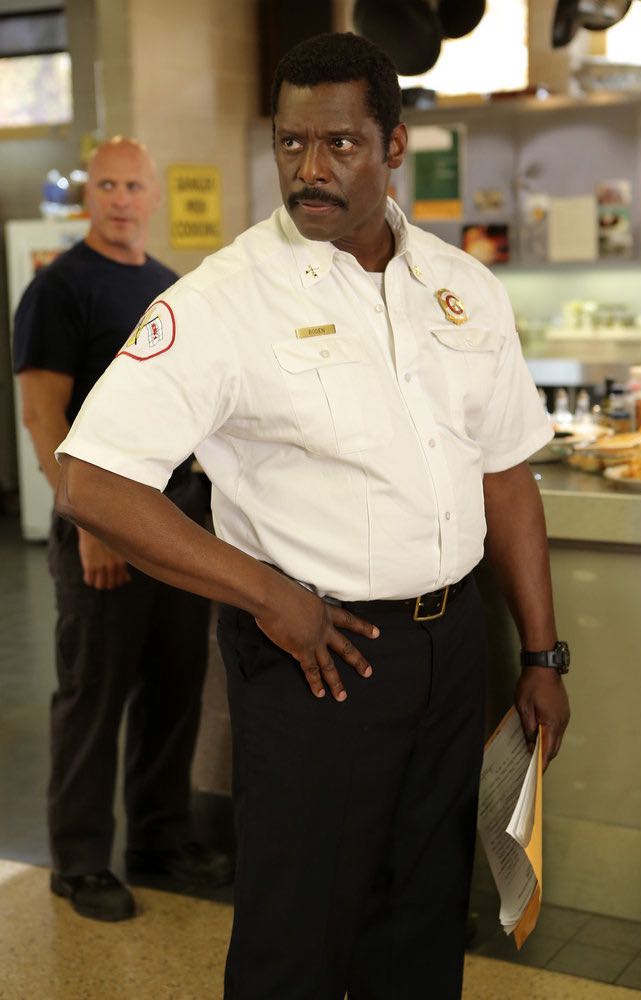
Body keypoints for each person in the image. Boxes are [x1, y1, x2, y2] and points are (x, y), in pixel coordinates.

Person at [54, 35, 569, 997]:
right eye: (291, 144)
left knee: (423, 916)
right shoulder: (225, 299)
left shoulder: (460, 287)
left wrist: (540, 654)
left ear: (393, 145)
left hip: (451, 647)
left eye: (339, 143)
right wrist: (267, 596)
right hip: (316, 655)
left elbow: (503, 472)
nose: (310, 168)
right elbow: (91, 481)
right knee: (297, 933)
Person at [13, 137, 233, 924]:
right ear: (89, 196)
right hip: (101, 526)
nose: (119, 199)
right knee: (92, 695)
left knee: (173, 688)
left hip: (174, 521)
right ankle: (77, 863)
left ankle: (159, 839)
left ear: (154, 196)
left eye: (133, 185)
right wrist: (88, 522)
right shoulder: (59, 287)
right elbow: (42, 416)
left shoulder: (169, 288)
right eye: (105, 185)